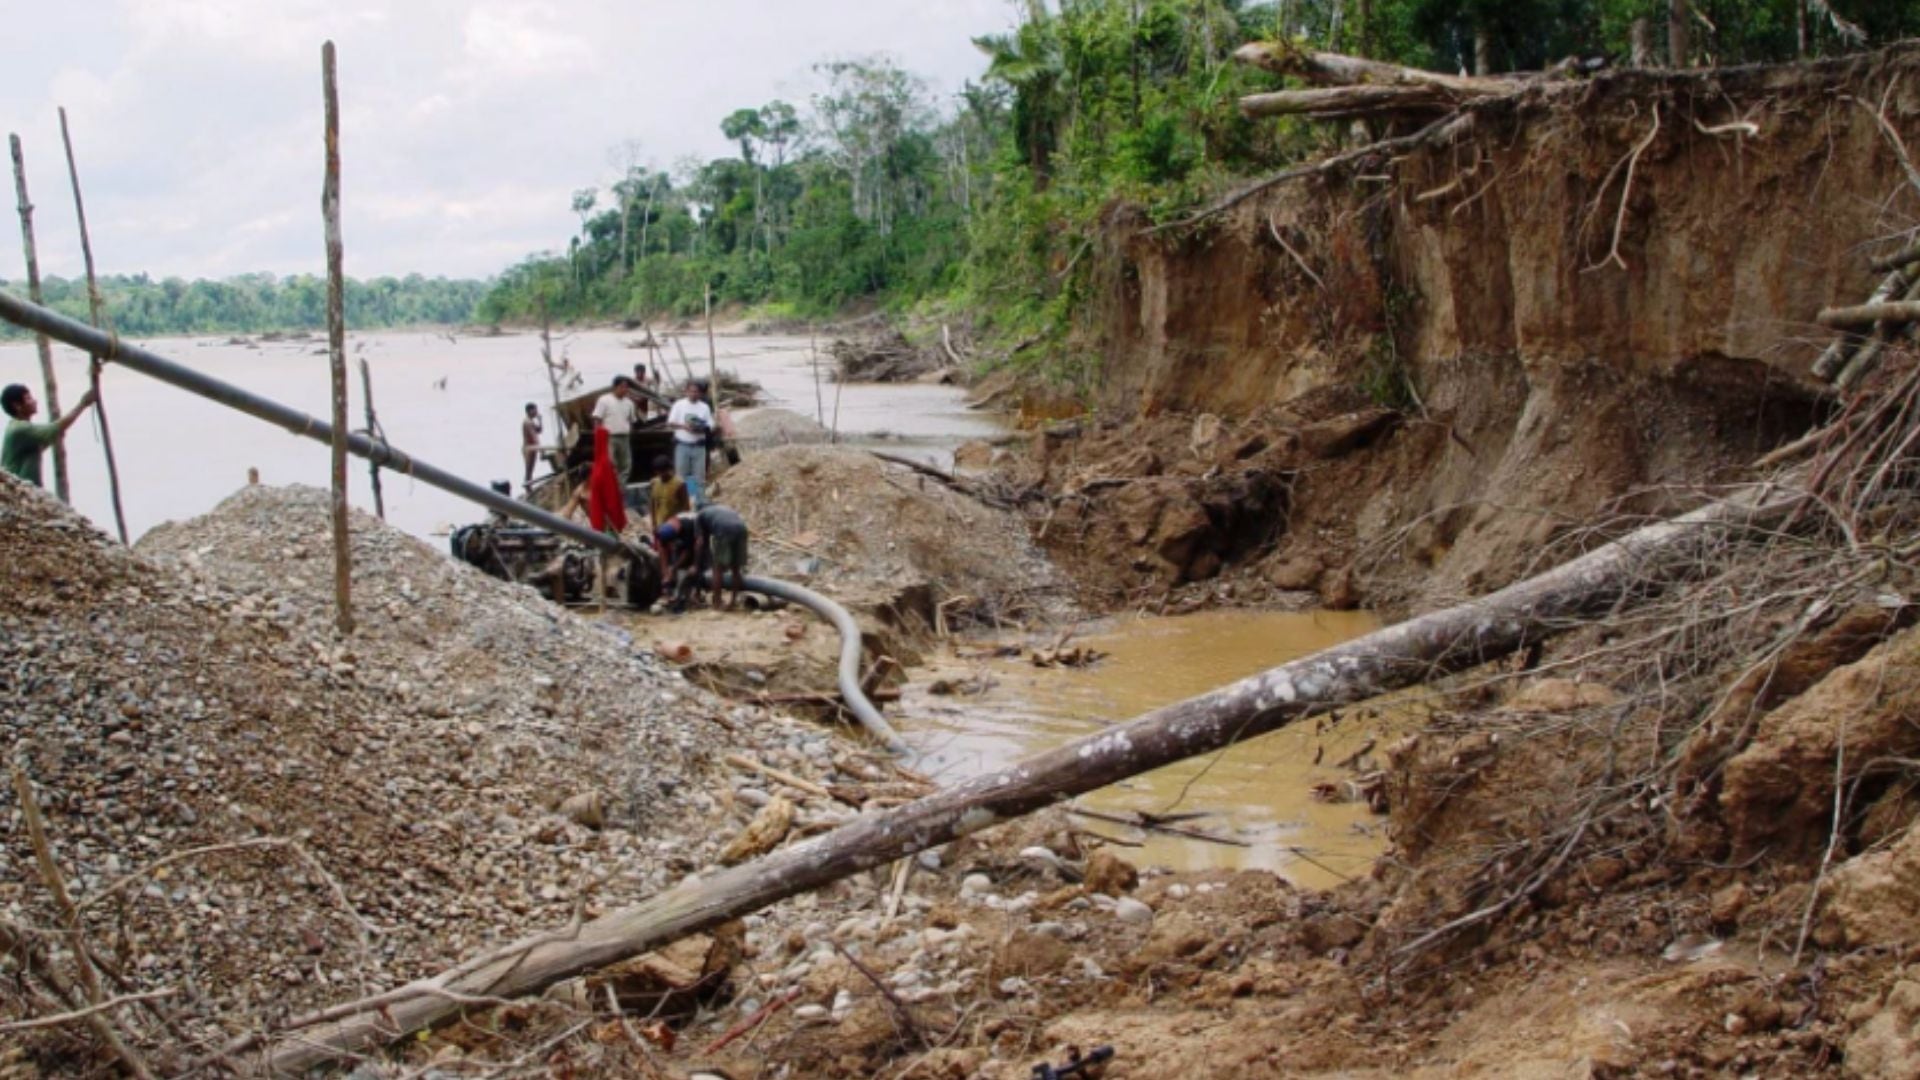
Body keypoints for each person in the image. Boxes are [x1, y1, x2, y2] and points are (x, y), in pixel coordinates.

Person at [2, 383, 98, 488]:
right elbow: (54, 428)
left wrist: (56, 434)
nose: (34, 401)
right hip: (18, 488)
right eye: (28, 398)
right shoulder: (19, 429)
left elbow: (43, 442)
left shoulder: (17, 427)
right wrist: (83, 404)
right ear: (17, 406)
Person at [693, 503, 750, 611]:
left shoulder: (699, 516)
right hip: (742, 529)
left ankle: (717, 603)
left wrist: (696, 564)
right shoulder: (721, 509)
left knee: (717, 569)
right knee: (735, 569)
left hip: (723, 530)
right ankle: (733, 602)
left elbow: (699, 543)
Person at [666, 378, 714, 505]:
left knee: (699, 477)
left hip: (699, 446)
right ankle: (683, 502)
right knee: (681, 476)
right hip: (682, 445)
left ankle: (700, 502)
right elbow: (670, 423)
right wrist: (684, 427)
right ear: (686, 391)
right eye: (691, 391)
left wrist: (701, 428)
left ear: (700, 393)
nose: (694, 394)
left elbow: (710, 424)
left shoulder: (704, 407)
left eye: (696, 392)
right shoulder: (679, 405)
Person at [591, 377, 639, 482]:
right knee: (611, 464)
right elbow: (597, 419)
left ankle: (621, 489)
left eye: (626, 387)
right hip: (609, 437)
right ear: (615, 387)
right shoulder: (604, 400)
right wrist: (598, 437)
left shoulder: (629, 403)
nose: (625, 389)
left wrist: (629, 432)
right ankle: (612, 488)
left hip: (624, 437)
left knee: (626, 465)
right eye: (622, 387)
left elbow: (632, 421)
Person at [649, 454, 690, 531]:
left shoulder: (679, 484)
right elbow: (653, 504)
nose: (661, 474)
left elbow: (686, 507)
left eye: (663, 471)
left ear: (668, 469)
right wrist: (653, 523)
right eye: (658, 472)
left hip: (674, 526)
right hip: (660, 524)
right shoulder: (654, 483)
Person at [520, 402, 543, 485]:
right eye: (535, 410)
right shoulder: (528, 422)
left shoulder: (531, 421)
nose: (536, 411)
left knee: (530, 471)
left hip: (532, 448)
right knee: (528, 471)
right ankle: (528, 488)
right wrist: (541, 449)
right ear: (529, 411)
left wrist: (540, 420)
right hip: (528, 448)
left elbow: (539, 430)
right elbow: (534, 437)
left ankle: (528, 487)